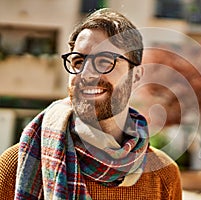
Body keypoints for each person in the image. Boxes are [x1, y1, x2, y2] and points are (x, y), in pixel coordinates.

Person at [0, 8, 182, 199]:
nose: (86, 74)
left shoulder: (164, 175)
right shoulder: (17, 164)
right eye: (78, 62)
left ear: (135, 76)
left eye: (104, 61)